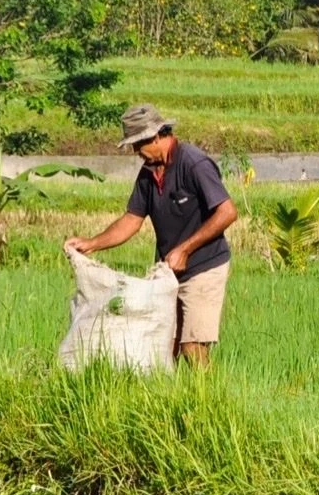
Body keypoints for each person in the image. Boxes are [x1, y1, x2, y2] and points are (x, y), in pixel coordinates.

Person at [64, 104, 236, 367]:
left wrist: (185, 250)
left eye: (138, 144)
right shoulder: (149, 173)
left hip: (204, 265)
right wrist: (91, 244)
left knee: (192, 346)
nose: (135, 152)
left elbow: (227, 212)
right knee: (169, 346)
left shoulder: (193, 163)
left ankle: (210, 400)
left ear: (156, 136)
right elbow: (132, 220)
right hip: (170, 271)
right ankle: (178, 400)